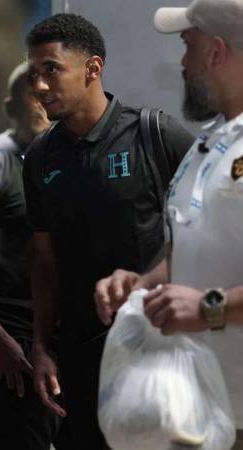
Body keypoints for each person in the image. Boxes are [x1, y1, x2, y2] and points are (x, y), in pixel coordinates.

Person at [22, 13, 194, 450]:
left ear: (93, 69)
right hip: (81, 365)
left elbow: (207, 232)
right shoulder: (40, 159)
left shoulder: (155, 135)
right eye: (34, 74)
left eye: (51, 71)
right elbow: (45, 263)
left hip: (157, 355)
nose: (40, 86)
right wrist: (41, 347)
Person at [94, 0, 243, 448]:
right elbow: (192, 252)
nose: (181, 63)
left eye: (188, 46)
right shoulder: (211, 145)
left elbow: (203, 300)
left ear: (216, 52)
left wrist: (209, 308)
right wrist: (142, 284)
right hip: (204, 416)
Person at [0, 63, 65, 450]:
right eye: (29, 91)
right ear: (10, 106)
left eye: (48, 90)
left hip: (67, 344)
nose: (40, 101)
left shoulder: (74, 164)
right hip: (13, 351)